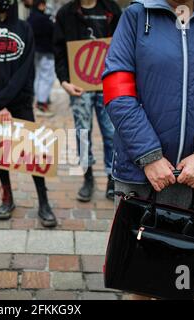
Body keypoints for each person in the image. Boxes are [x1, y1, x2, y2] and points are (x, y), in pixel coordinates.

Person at [103, 0, 194, 299]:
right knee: (138, 278)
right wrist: (150, 156)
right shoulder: (136, 16)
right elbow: (118, 88)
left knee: (179, 281)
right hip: (141, 171)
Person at [0, 0, 58, 227]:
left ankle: (43, 200)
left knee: (33, 151)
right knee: (0, 151)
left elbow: (25, 70)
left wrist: (5, 101)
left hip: (19, 102)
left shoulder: (24, 28)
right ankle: (7, 197)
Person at [53, 0, 121, 202]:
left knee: (111, 133)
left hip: (107, 83)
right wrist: (64, 81)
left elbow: (123, 46)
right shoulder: (66, 13)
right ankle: (87, 176)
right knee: (82, 133)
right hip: (79, 86)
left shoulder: (111, 9)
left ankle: (112, 177)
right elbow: (58, 50)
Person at [28, 0, 56, 117]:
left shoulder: (30, 18)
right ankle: (41, 103)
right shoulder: (45, 19)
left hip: (34, 51)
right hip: (46, 51)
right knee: (46, 77)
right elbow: (53, 32)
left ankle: (39, 101)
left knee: (38, 77)